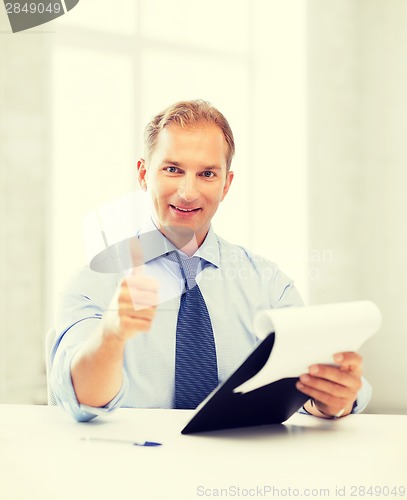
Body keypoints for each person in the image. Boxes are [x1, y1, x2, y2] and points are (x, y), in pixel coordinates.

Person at [50, 99, 371, 421]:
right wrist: (111, 336)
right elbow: (81, 399)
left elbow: (305, 380)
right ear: (144, 174)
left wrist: (332, 399)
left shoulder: (268, 284)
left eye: (207, 174)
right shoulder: (93, 282)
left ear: (226, 184)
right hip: (135, 465)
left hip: (241, 464)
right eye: (173, 170)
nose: (188, 192)